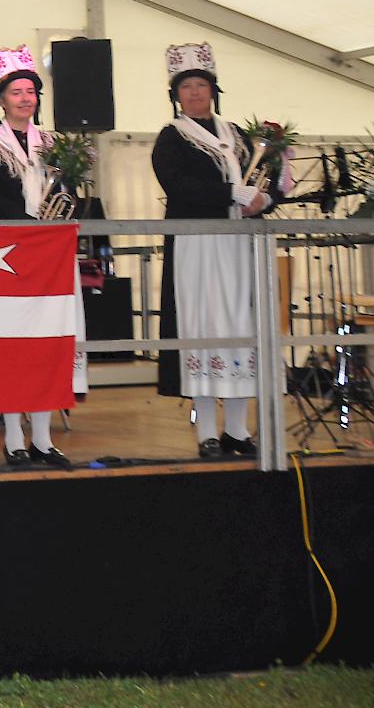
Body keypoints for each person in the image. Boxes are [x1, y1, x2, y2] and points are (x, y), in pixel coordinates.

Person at [151, 42, 286, 458]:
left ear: (213, 89)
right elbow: (178, 185)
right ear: (176, 94)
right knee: (203, 329)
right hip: (198, 247)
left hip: (240, 247)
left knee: (243, 329)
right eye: (186, 86)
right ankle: (207, 432)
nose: (194, 92)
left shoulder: (239, 134)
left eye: (201, 84)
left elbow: (265, 180)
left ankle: (238, 431)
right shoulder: (171, 137)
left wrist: (266, 199)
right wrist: (231, 193)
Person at [0, 46, 78, 469]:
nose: (25, 98)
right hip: (8, 257)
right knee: (11, 346)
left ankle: (44, 440)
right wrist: (33, 222)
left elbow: (72, 195)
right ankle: (14, 437)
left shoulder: (54, 144)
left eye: (30, 91)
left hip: (50, 258)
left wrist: (57, 216)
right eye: (16, 92)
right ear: (1, 99)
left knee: (47, 345)